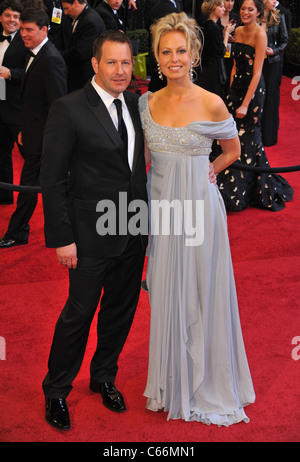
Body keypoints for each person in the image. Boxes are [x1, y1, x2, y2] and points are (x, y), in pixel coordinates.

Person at [139, 11, 255, 425]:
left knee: (202, 292)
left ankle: (207, 383)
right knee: (169, 291)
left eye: (181, 51)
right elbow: (145, 162)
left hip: (200, 211)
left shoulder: (211, 100)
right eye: (165, 52)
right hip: (165, 214)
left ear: (194, 54)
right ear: (156, 56)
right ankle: (174, 380)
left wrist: (211, 169)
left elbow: (233, 150)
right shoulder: (146, 102)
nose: (174, 59)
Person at [40, 30, 148, 430]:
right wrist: (63, 238)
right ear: (95, 65)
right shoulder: (69, 109)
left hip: (133, 228)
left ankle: (104, 376)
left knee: (120, 311)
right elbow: (52, 180)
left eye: (126, 63)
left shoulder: (137, 104)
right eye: (112, 63)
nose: (120, 71)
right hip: (87, 235)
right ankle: (56, 390)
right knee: (78, 315)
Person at [216, 0, 293, 211]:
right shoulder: (238, 31)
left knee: (249, 136)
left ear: (258, 12)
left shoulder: (260, 34)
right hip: (237, 88)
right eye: (243, 9)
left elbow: (257, 72)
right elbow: (234, 64)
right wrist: (230, 92)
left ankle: (248, 188)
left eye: (250, 9)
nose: (245, 12)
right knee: (230, 134)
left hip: (253, 91)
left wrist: (246, 103)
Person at [0, 8, 67, 249]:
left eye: (29, 30)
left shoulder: (51, 60)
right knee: (48, 185)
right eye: (23, 29)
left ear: (44, 30)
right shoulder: (36, 54)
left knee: (30, 186)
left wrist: (46, 139)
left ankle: (17, 231)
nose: (23, 34)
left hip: (42, 139)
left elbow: (57, 106)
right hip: (32, 132)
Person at [0, 0, 26, 205]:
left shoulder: (25, 41)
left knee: (27, 153)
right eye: (8, 15)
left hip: (18, 105)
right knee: (2, 152)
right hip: (0, 101)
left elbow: (31, 72)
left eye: (16, 17)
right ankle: (5, 194)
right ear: (1, 18)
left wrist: (11, 74)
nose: (12, 20)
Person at [60, 0, 106, 92]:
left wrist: (58, 55)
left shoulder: (90, 21)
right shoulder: (85, 17)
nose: (65, 12)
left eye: (67, 8)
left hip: (84, 79)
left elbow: (80, 53)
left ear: (76, 3)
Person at [260, 0, 288, 146]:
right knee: (258, 97)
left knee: (270, 98)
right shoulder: (256, 17)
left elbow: (284, 41)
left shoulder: (279, 17)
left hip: (273, 63)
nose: (275, 2)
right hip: (257, 62)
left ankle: (269, 137)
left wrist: (274, 51)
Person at [197, 0, 235, 99]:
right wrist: (226, 34)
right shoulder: (213, 28)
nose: (224, 9)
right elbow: (221, 51)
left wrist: (223, 35)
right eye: (221, 7)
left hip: (206, 69)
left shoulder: (208, 25)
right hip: (212, 72)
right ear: (214, 8)